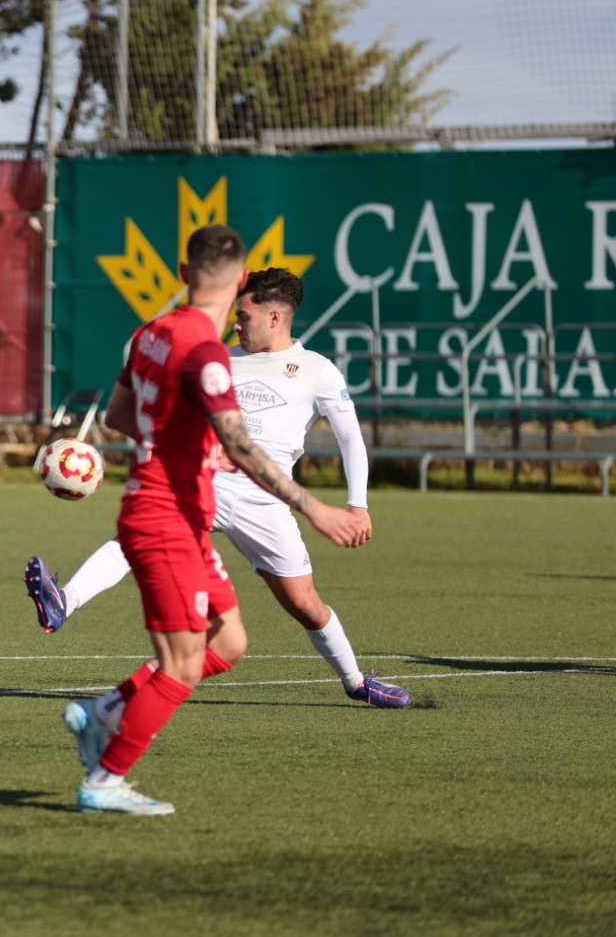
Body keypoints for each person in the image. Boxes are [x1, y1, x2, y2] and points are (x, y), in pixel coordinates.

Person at [25, 225, 365, 816]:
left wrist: (182, 441)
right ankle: (106, 778)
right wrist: (315, 507)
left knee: (229, 643)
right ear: (239, 282)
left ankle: (102, 711)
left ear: (184, 274)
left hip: (178, 509)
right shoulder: (208, 354)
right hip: (168, 516)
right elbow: (240, 446)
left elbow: (120, 416)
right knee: (183, 665)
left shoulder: (150, 334)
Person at [25, 268, 408, 708]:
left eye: (244, 316)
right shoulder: (218, 359)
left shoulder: (318, 371)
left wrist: (358, 504)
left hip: (266, 500)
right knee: (138, 539)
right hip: (205, 479)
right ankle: (64, 601)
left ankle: (356, 682)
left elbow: (350, 439)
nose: (235, 324)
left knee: (305, 603)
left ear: (275, 317)